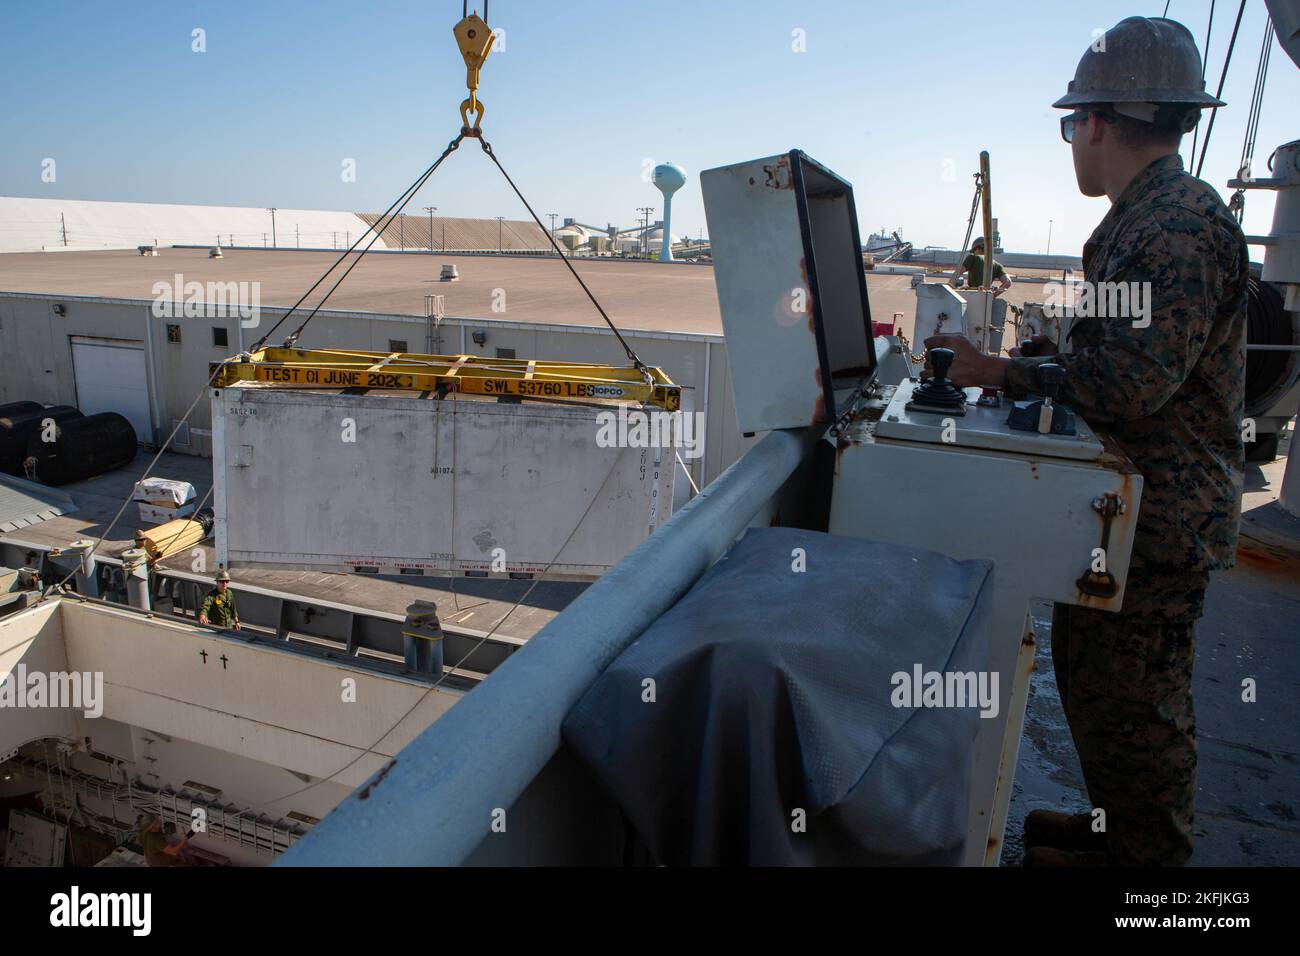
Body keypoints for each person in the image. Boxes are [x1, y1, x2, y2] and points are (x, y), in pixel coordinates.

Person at [925, 16, 1246, 866]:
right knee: (1101, 687)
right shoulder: (1147, 218)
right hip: (1132, 508)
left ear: (1097, 122)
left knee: (1139, 711)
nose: (1073, 141)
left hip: (1163, 520)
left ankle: (1153, 874)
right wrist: (1047, 356)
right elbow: (1120, 357)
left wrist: (997, 373)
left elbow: (1133, 385)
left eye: (1073, 124)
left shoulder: (1173, 228)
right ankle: (1117, 831)